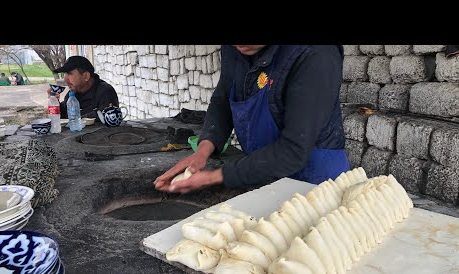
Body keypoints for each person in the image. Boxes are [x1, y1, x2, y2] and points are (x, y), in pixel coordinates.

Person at [155, 45, 350, 194]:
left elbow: (294, 149)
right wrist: (203, 151)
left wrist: (214, 177)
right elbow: (223, 98)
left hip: (314, 179)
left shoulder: (317, 54)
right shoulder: (236, 48)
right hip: (261, 171)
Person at [49, 55, 119, 120]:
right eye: (65, 74)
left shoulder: (105, 92)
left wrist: (77, 120)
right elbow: (62, 120)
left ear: (86, 76)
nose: (65, 79)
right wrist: (54, 102)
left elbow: (105, 118)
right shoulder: (71, 94)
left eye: (69, 73)